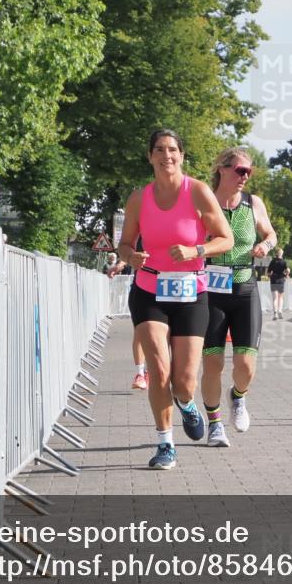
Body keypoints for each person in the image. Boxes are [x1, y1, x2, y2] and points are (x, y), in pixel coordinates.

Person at [117, 130, 233, 470]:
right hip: (149, 290)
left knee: (184, 380)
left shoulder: (197, 192)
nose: (166, 155)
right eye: (159, 150)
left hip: (190, 293)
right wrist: (130, 256)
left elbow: (224, 239)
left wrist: (195, 250)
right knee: (159, 369)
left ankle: (187, 403)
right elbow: (124, 244)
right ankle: (165, 443)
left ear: (181, 155)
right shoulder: (139, 198)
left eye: (172, 150)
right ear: (150, 156)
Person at [201, 147, 278, 447]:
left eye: (249, 171)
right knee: (213, 363)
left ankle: (238, 397)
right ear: (222, 169)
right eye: (240, 171)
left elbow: (270, 234)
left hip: (245, 288)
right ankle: (215, 424)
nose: (245, 177)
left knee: (245, 366)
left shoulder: (252, 203)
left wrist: (266, 246)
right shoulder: (204, 201)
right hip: (211, 291)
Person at [107, 253, 148, 390]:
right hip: (142, 290)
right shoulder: (141, 233)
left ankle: (152, 371)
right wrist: (118, 266)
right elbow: (128, 252)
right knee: (140, 332)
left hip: (169, 292)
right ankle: (140, 374)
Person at [267, 247, 290, 319]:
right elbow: (288, 270)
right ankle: (280, 311)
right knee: (281, 297)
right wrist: (286, 275)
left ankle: (275, 314)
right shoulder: (284, 262)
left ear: (276, 254)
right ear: (281, 254)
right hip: (281, 280)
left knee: (275, 298)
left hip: (274, 280)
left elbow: (268, 272)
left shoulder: (272, 261)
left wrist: (270, 276)